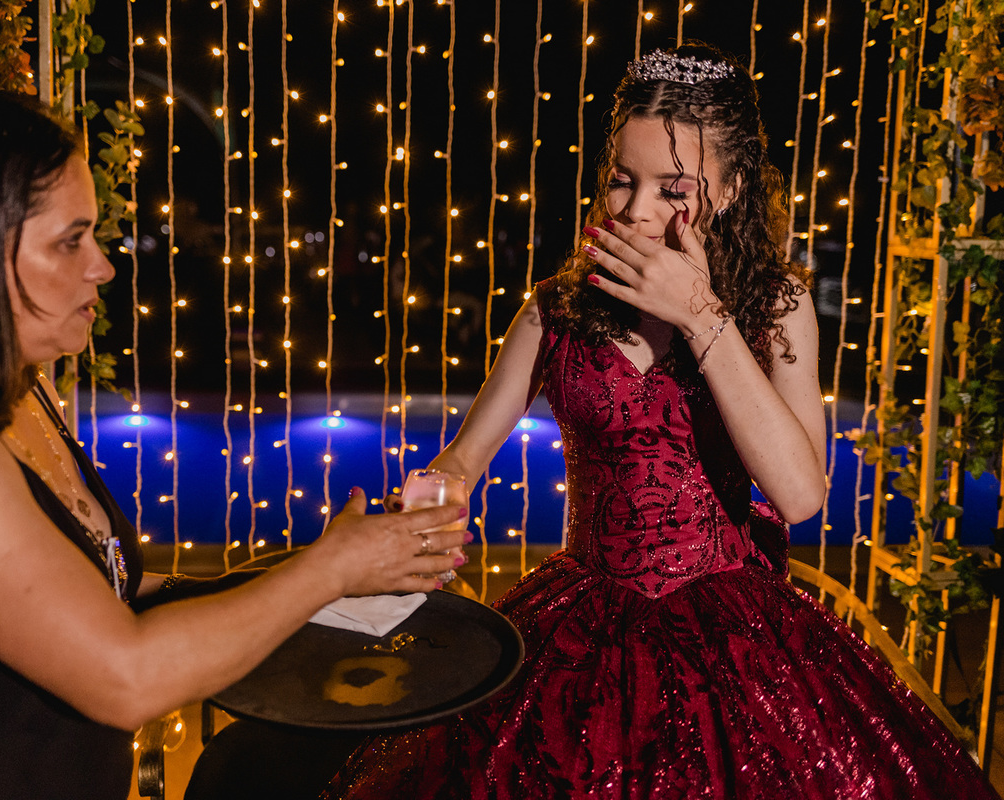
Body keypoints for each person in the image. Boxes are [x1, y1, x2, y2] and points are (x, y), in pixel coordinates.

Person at [326, 45, 1000, 799]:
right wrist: (437, 490)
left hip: (736, 631)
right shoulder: (557, 307)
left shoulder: (776, 305)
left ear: (734, 187)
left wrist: (701, 316)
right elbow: (464, 456)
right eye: (621, 179)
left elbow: (802, 495)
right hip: (579, 623)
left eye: (672, 188)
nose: (637, 210)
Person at [0, 89, 471, 800]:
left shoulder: (19, 393)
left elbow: (102, 590)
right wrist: (329, 572)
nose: (103, 266)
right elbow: (127, 677)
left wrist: (314, 571)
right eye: (71, 240)